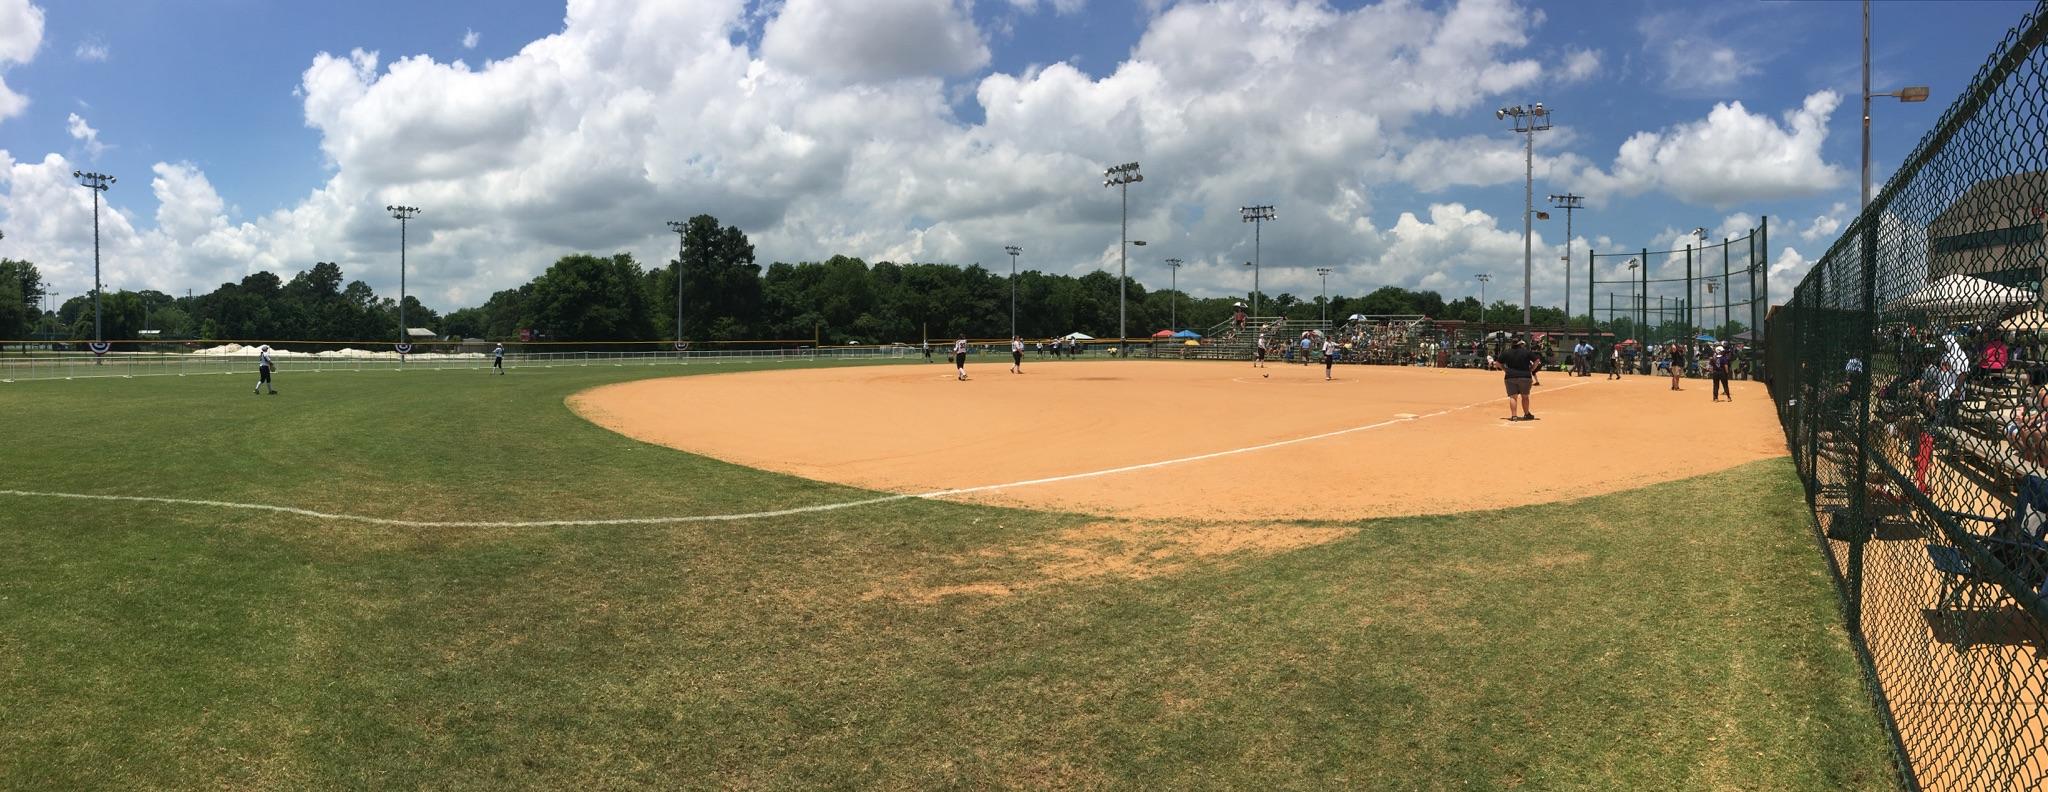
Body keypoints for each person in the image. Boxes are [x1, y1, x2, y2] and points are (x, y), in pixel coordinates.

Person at [1494, 338, 1539, 421]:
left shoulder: (1506, 352)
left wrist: (1504, 369)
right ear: (1520, 343)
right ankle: (1526, 414)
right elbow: (1537, 360)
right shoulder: (1526, 351)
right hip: (1525, 376)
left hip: (1510, 376)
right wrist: (1532, 369)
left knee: (1513, 397)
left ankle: (1514, 416)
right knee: (1525, 396)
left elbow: (1497, 363)